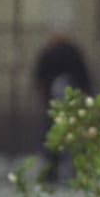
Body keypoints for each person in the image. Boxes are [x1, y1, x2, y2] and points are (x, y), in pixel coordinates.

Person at [32, 26, 92, 182]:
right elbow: (83, 78)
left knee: (54, 139)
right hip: (70, 105)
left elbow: (39, 78)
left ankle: (53, 172)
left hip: (54, 106)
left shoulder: (50, 53)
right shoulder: (72, 53)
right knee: (72, 139)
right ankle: (74, 172)